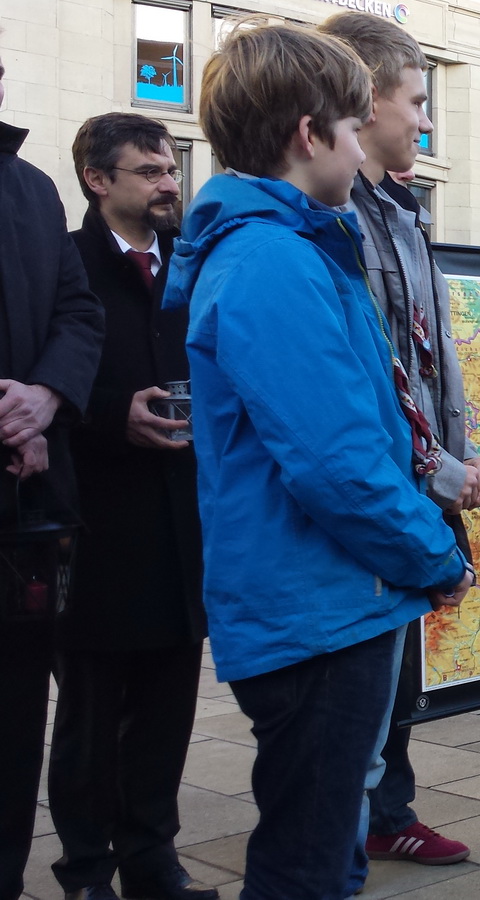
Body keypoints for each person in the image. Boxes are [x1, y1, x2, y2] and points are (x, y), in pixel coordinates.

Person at [163, 23, 474, 897]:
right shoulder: (273, 261)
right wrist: (435, 555)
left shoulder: (297, 250)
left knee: (326, 848)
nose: (362, 141)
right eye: (349, 126)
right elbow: (339, 463)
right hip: (318, 609)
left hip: (330, 601)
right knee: (307, 863)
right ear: (310, 136)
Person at [317, 12, 480, 879]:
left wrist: (456, 457)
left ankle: (385, 815)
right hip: (384, 493)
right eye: (415, 100)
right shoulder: (325, 224)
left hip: (419, 487)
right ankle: (340, 842)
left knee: (399, 677)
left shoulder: (399, 210)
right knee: (351, 695)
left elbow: (427, 358)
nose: (425, 121)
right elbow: (371, 385)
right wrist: (447, 472)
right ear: (364, 99)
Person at [49, 113, 213, 900]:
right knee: (89, 722)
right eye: (148, 172)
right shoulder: (65, 264)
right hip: (95, 529)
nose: (168, 183)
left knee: (164, 716)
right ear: (97, 179)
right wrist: (118, 415)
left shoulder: (192, 265)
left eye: (171, 169)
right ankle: (86, 872)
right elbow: (42, 380)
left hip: (184, 528)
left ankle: (154, 863)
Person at [0, 47, 106, 900]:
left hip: (25, 516)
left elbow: (76, 310)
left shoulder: (30, 189)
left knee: (13, 729)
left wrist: (45, 394)